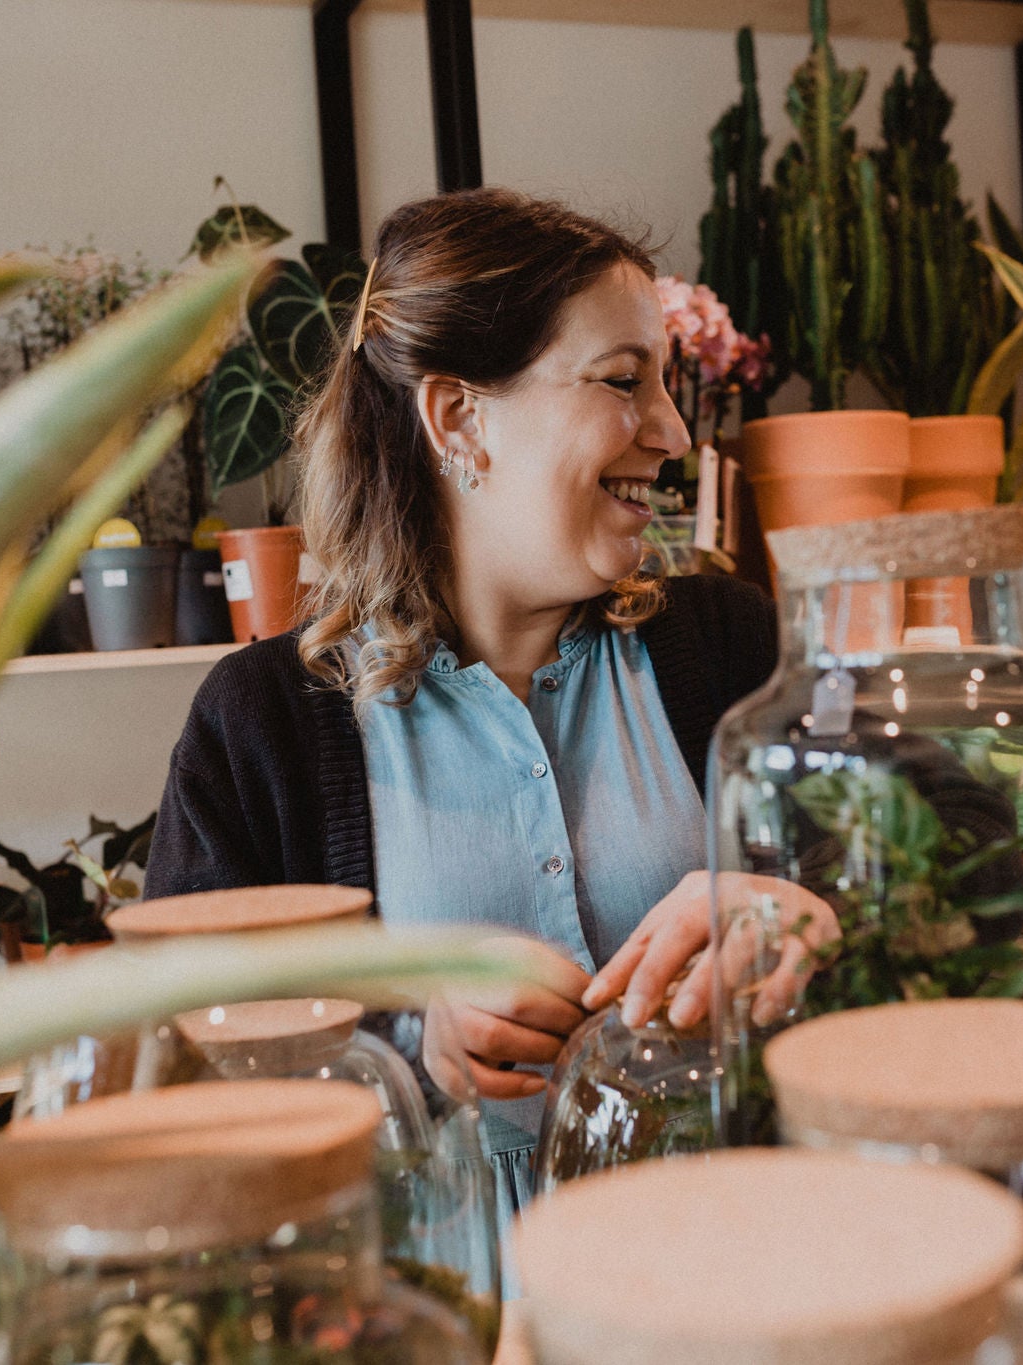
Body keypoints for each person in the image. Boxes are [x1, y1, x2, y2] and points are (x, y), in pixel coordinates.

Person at [144, 187, 778, 1217]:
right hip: (439, 1307)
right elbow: (176, 1066)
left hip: (735, 1274)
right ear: (456, 416)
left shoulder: (728, 645)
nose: (669, 429)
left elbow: (966, 850)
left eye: (666, 384)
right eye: (624, 380)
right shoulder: (262, 724)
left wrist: (794, 901)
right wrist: (409, 1045)